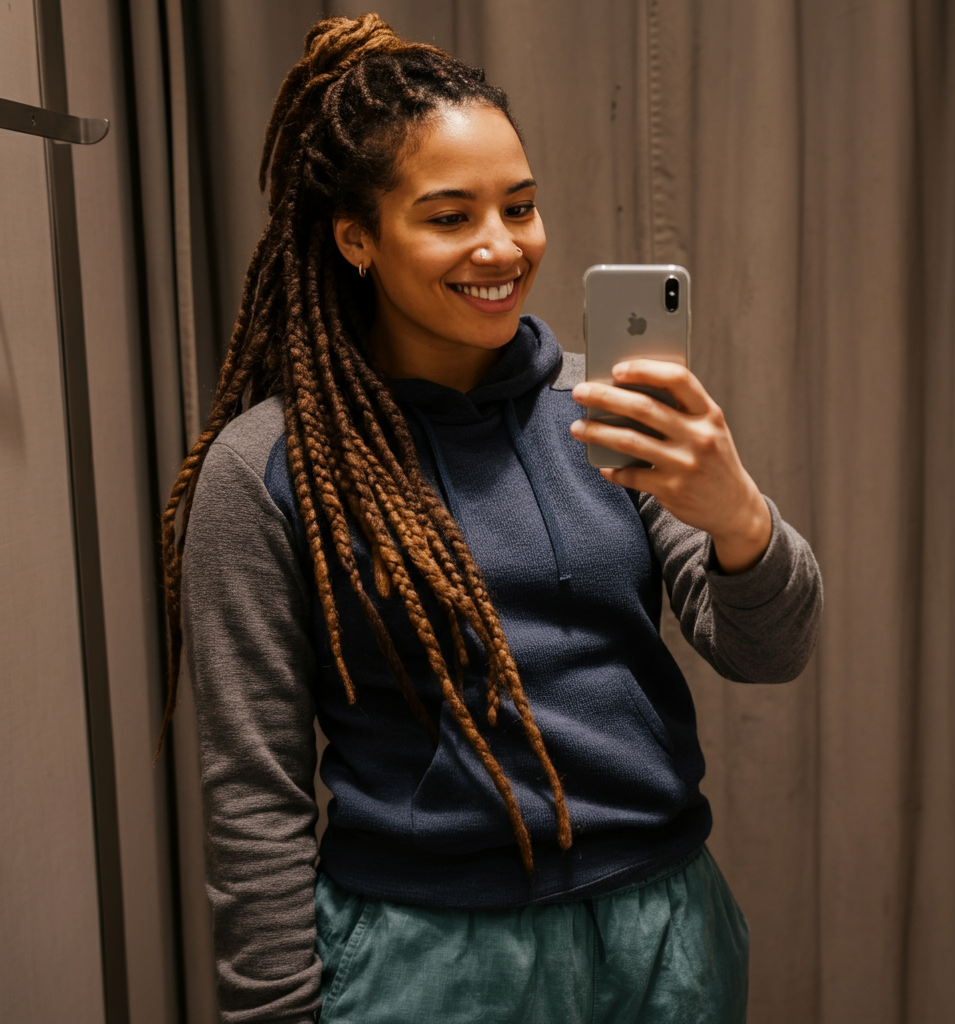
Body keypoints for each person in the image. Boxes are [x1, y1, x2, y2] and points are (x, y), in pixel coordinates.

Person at [160, 13, 822, 1024]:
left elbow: (769, 652)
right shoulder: (269, 467)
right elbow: (253, 793)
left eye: (520, 206)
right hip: (426, 960)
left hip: (665, 935)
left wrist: (736, 516)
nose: (501, 247)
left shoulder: (611, 412)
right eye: (449, 215)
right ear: (354, 237)